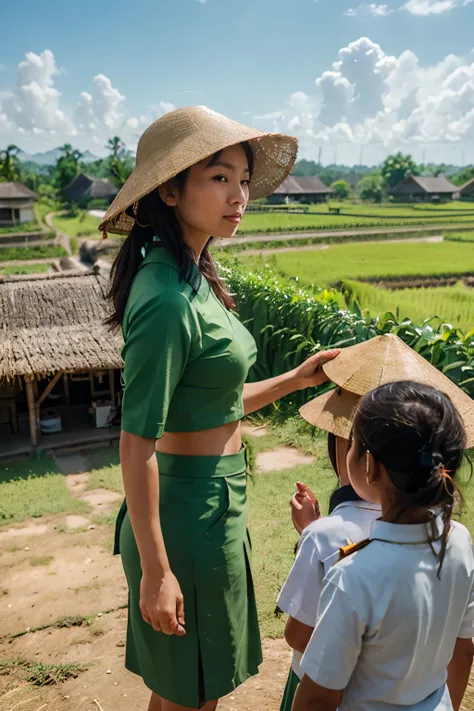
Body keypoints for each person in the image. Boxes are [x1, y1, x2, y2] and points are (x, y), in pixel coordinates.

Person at [99, 106, 340, 711]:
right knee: (191, 694)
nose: (240, 195)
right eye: (219, 177)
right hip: (185, 517)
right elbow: (137, 444)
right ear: (171, 189)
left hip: (214, 507)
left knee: (189, 689)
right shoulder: (166, 301)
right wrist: (157, 570)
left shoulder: (194, 274)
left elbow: (213, 408)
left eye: (243, 179)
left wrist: (294, 379)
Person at [294, 381, 474, 711]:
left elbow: (317, 697)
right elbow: (463, 649)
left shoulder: (352, 576)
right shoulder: (460, 542)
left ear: (371, 465)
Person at [277, 433, 381, 711]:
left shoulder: (325, 535)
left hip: (325, 691)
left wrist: (313, 533)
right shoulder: (447, 535)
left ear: (368, 462)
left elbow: (299, 635)